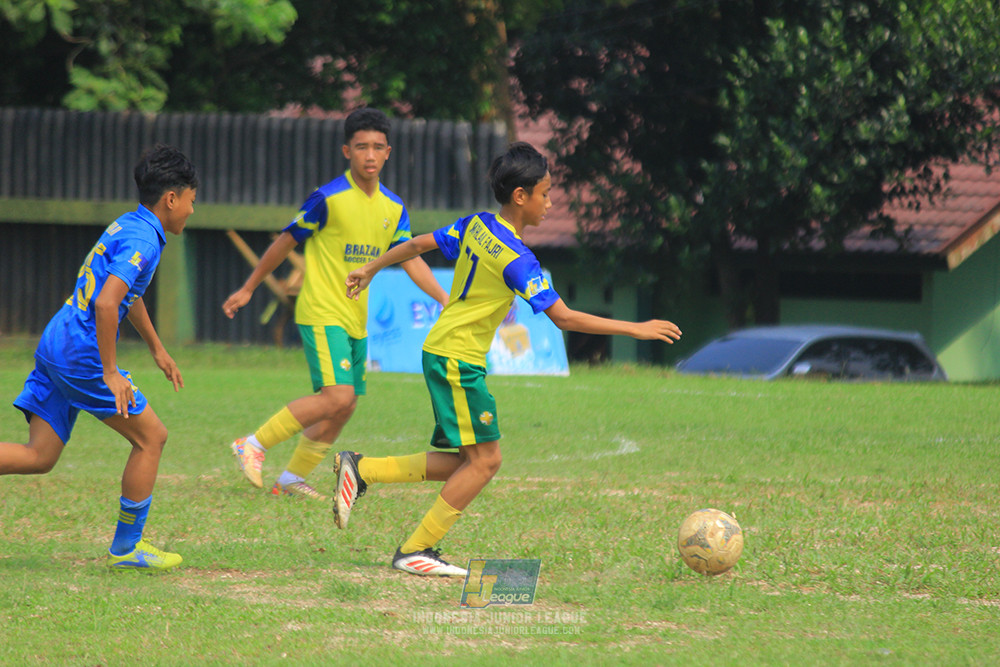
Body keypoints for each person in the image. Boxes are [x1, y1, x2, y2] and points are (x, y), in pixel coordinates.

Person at [342, 141, 682, 576]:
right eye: (545, 193)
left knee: (467, 461)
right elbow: (563, 317)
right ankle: (416, 550)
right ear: (520, 196)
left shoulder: (477, 224)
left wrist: (370, 269)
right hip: (456, 359)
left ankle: (362, 469)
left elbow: (415, 245)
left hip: (444, 351)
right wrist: (634, 327)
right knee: (487, 461)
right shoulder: (518, 259)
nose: (550, 202)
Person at [223, 108, 447, 502]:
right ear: (347, 150)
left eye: (378, 147)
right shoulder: (327, 198)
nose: (370, 155)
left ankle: (291, 479)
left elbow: (410, 257)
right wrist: (248, 288)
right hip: (322, 310)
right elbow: (285, 241)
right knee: (337, 396)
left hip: (355, 319)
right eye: (362, 147)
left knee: (345, 406)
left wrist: (445, 300)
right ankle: (253, 444)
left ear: (389, 152)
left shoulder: (393, 207)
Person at [1, 144, 197, 571]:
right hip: (80, 353)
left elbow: (130, 296)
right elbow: (109, 304)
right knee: (152, 438)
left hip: (58, 338)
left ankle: (128, 547)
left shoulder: (130, 224)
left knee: (40, 456)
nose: (191, 211)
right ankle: (127, 548)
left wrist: (158, 349)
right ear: (171, 198)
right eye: (191, 201)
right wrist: (109, 372)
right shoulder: (146, 238)